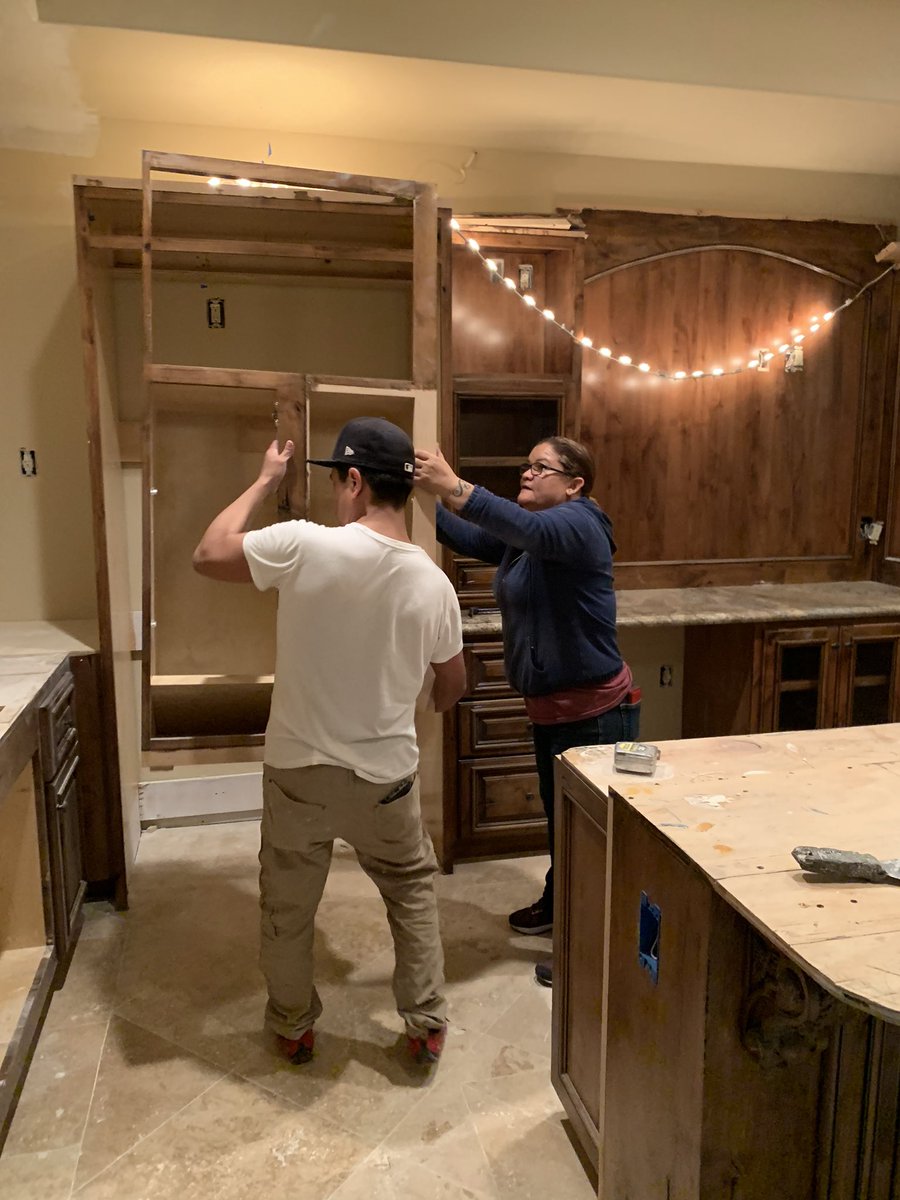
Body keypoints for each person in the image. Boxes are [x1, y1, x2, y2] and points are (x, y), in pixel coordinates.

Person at [193, 417, 466, 1065]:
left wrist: (263, 481)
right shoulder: (434, 583)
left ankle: (293, 1025)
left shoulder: (302, 545)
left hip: (299, 772)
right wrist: (408, 701)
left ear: (353, 480)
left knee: (288, 906)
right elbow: (451, 684)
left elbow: (209, 553)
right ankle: (425, 1023)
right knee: (411, 892)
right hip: (386, 780)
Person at [414, 437, 638, 987]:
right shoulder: (527, 541)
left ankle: (587, 953)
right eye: (528, 463)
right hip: (552, 712)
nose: (529, 472)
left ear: (575, 484)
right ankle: (559, 905)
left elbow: (526, 526)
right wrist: (418, 499)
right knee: (563, 826)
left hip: (595, 715)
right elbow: (470, 533)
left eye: (542, 467)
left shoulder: (582, 524)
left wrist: (456, 485)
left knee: (588, 837)